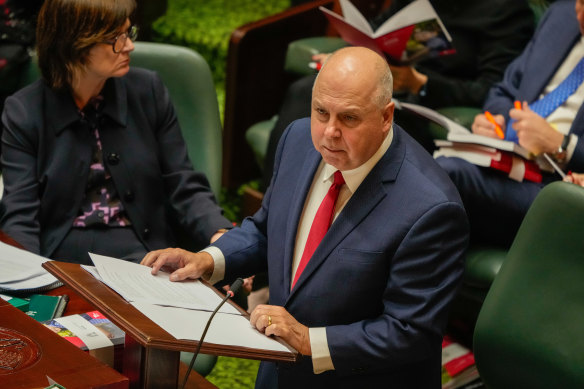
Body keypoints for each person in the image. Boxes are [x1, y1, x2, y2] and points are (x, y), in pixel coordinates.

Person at [142, 46, 469, 388]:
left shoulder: (432, 209)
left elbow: (409, 332)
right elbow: (270, 228)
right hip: (278, 373)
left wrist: (308, 340)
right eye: (321, 112)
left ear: (386, 117)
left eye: (349, 118)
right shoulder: (298, 139)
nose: (329, 132)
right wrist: (208, 260)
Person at [0, 0, 233, 265]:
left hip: (144, 255)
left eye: (128, 33)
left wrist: (221, 236)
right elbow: (19, 214)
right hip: (60, 260)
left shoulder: (148, 91)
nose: (129, 45)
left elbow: (182, 183)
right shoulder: (23, 112)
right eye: (116, 38)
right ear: (75, 44)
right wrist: (26, 278)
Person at [261, 0, 535, 190]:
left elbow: (491, 89)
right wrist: (350, 56)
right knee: (304, 92)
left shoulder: (506, 10)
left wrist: (420, 83)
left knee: (362, 117)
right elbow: (378, 31)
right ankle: (272, 208)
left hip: (427, 103)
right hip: (379, 81)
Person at [436, 0, 584, 247]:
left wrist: (561, 145)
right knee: (411, 162)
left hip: (558, 187)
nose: (580, 14)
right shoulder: (561, 15)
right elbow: (503, 91)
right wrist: (499, 123)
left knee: (446, 173)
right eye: (580, 2)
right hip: (507, 160)